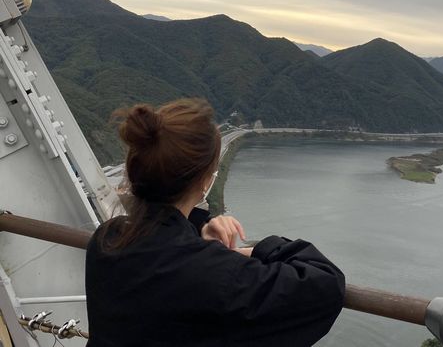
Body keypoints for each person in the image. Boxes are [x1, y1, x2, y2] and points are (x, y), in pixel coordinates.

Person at [85, 98, 345, 346]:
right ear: (205, 182)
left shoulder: (107, 239)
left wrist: (199, 230)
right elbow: (325, 284)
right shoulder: (217, 274)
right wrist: (257, 249)